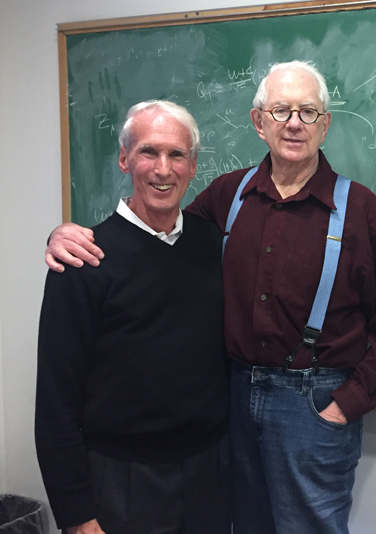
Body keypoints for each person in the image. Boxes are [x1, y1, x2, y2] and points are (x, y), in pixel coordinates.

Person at [45, 61, 376, 534]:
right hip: (231, 404)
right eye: (281, 110)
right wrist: (64, 234)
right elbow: (155, 231)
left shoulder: (358, 208)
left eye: (308, 111)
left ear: (326, 124)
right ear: (259, 122)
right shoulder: (228, 196)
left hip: (312, 407)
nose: (294, 123)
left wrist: (342, 406)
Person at [36, 101, 231, 534]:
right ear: (124, 159)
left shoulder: (212, 246)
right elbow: (55, 404)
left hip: (209, 478)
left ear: (193, 165)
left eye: (177, 154)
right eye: (149, 152)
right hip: (120, 485)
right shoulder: (83, 261)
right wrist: (77, 516)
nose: (163, 169)